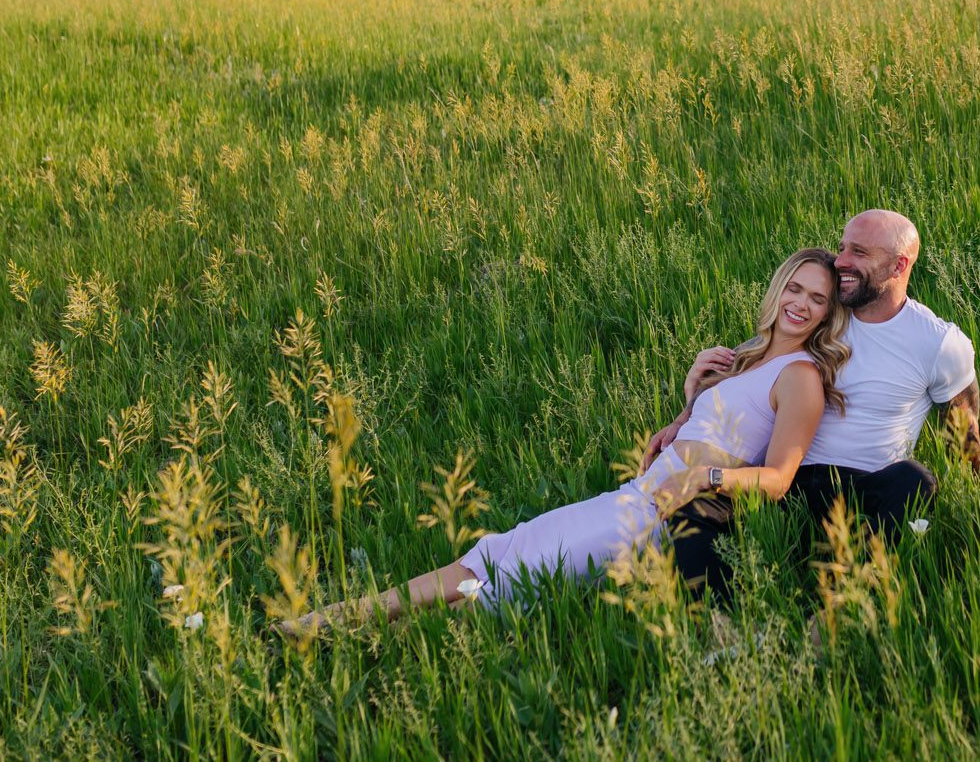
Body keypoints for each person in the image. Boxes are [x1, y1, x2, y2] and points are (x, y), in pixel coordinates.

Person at [279, 249, 850, 633]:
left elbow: (776, 480)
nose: (800, 305)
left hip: (660, 513)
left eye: (817, 299)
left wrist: (706, 477)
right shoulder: (748, 355)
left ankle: (339, 629)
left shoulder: (801, 377)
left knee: (517, 579)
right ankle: (336, 623)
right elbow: (702, 433)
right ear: (777, 290)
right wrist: (688, 396)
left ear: (828, 313)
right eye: (794, 289)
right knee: (500, 553)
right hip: (637, 494)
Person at [646, 209, 980, 602]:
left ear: (899, 265)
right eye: (842, 248)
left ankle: (835, 609)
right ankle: (719, 622)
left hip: (862, 492)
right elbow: (747, 374)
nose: (841, 261)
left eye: (858, 252)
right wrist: (685, 415)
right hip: (786, 482)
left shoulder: (937, 342)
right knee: (701, 499)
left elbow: (966, 430)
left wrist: (976, 513)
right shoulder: (823, 313)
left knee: (915, 480)